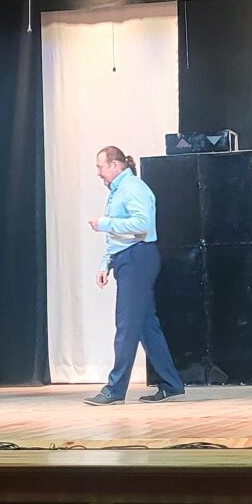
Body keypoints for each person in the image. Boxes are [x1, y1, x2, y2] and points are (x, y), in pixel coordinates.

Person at [84, 145, 185, 405]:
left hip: (137, 259)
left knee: (126, 326)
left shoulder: (132, 189)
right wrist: (105, 264)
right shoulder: (118, 191)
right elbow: (118, 237)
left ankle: (114, 389)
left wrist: (104, 223)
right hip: (129, 258)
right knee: (146, 326)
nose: (98, 173)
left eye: (101, 167)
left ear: (116, 166)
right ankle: (171, 384)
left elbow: (143, 224)